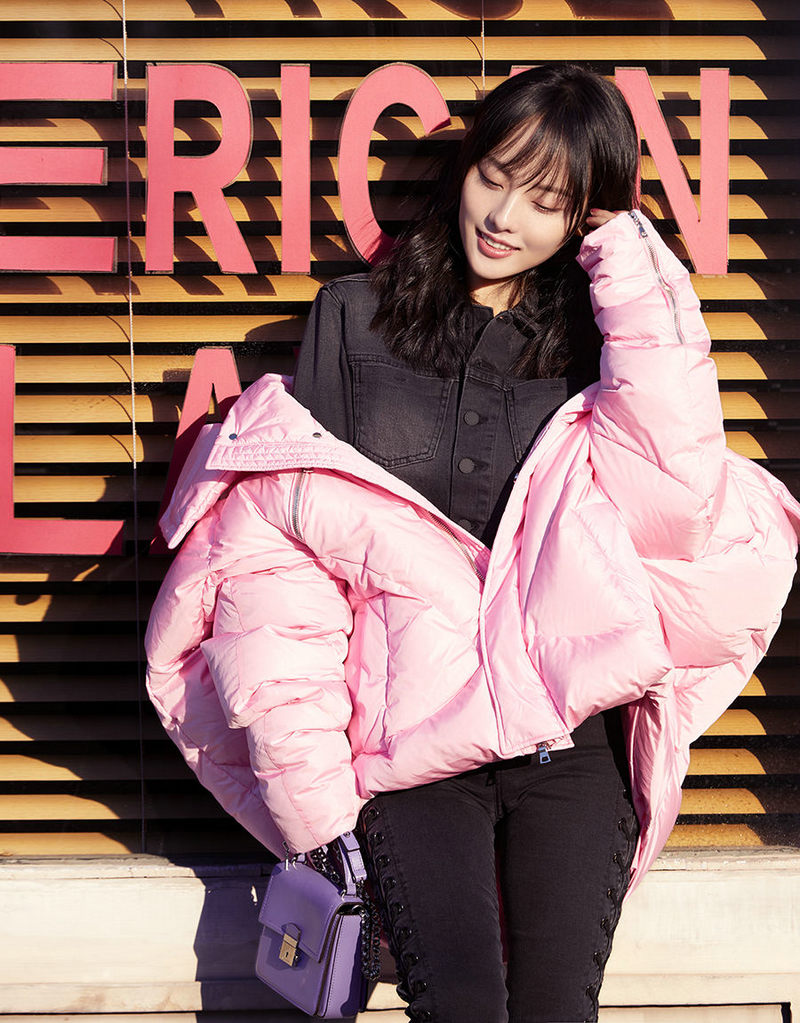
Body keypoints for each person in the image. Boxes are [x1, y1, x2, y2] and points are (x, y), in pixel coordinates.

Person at [145, 64, 800, 1023]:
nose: (503, 217)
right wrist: (318, 809)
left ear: (585, 217)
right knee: (458, 1004)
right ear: (466, 165)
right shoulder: (352, 319)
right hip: (412, 748)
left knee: (555, 1006)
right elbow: (285, 571)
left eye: (547, 201)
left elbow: (677, 497)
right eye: (494, 176)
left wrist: (626, 258)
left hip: (571, 744)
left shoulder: (599, 346)